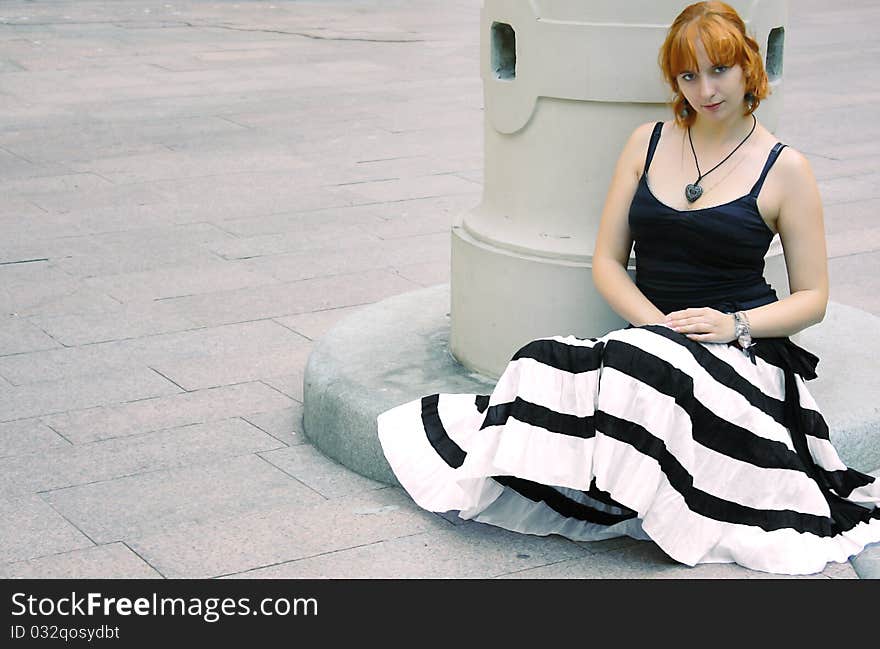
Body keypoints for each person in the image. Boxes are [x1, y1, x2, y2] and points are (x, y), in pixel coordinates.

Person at [377, 1, 880, 575]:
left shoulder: (786, 168)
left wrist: (732, 325)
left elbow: (812, 298)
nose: (705, 89)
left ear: (748, 66)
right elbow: (608, 262)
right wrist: (652, 324)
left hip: (743, 349)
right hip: (656, 339)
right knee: (539, 359)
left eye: (719, 70)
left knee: (652, 372)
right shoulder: (647, 141)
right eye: (688, 75)